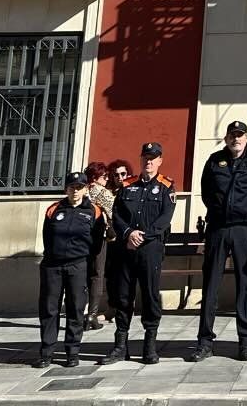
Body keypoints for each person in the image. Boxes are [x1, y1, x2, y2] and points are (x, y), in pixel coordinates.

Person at [193, 120, 247, 362]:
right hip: (218, 228)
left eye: (240, 135)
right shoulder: (214, 160)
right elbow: (206, 191)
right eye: (232, 135)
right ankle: (204, 341)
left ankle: (246, 341)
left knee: (246, 284)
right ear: (227, 138)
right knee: (210, 284)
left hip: (245, 228)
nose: (236, 139)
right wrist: (219, 211)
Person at [101, 142, 176, 365]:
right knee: (124, 297)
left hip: (150, 250)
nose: (148, 162)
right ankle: (120, 346)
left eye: (153, 158)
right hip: (127, 249)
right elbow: (116, 214)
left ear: (160, 160)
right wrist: (128, 233)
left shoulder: (166, 187)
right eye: (145, 158)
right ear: (140, 160)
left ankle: (149, 346)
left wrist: (142, 236)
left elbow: (165, 218)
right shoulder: (127, 185)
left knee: (150, 296)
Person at [36, 171, 105, 369]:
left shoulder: (94, 211)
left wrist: (83, 260)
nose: (75, 191)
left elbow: (97, 242)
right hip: (53, 265)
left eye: (79, 188)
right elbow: (47, 237)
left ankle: (72, 352)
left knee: (75, 308)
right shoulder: (53, 210)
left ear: (85, 189)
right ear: (66, 189)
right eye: (72, 187)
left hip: (78, 265)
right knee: (49, 309)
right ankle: (46, 351)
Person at [84, 162, 116, 330]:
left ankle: (76, 312)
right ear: (95, 178)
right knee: (97, 276)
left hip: (80, 240)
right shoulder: (101, 192)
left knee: (83, 275)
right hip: (97, 239)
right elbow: (115, 210)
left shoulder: (81, 190)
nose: (107, 179)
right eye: (104, 176)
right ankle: (92, 315)